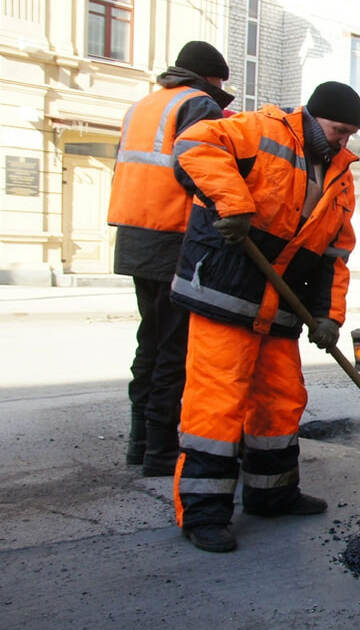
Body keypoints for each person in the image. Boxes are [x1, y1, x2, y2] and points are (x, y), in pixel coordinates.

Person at [168, 81, 360, 552]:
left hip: (281, 306)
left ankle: (271, 494)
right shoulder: (260, 130)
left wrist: (328, 317)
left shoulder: (340, 177)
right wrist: (232, 203)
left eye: (350, 134)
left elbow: (335, 256)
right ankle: (203, 514)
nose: (344, 141)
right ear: (314, 117)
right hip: (226, 292)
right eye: (339, 130)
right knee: (217, 406)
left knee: (281, 399)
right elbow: (193, 145)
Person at [107, 41, 234, 476]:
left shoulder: (144, 105)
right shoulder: (199, 104)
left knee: (150, 340)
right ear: (209, 79)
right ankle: (161, 452)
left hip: (134, 235)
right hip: (172, 238)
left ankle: (139, 443)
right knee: (173, 348)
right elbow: (201, 169)